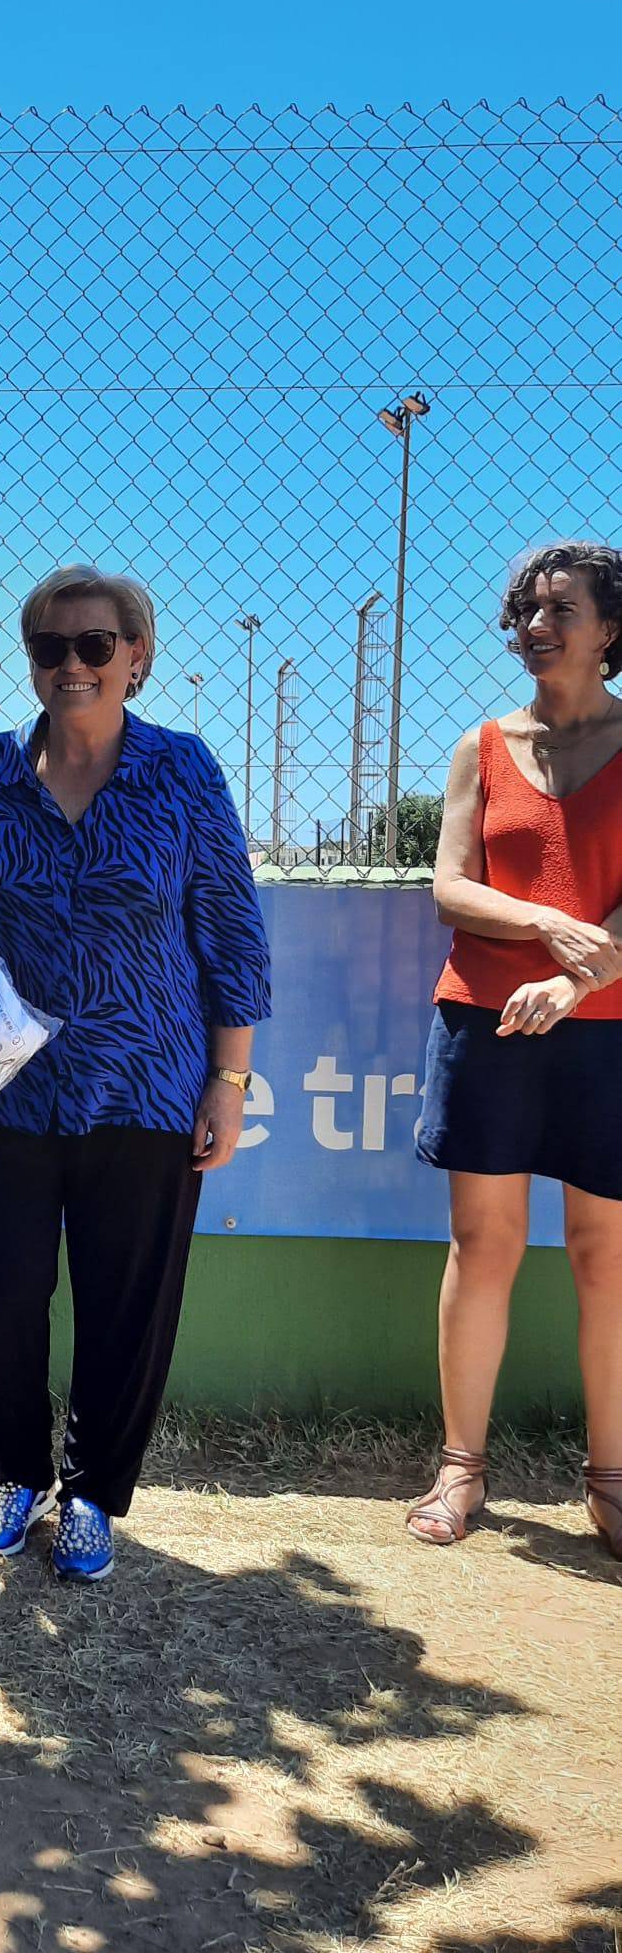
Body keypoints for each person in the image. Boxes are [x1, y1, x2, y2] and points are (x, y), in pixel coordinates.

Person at [0, 565, 270, 1582]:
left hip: (147, 1084)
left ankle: (92, 1494)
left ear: (137, 656)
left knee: (127, 1305)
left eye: (95, 645)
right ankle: (17, 1476)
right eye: (51, 646)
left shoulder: (182, 768)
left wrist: (228, 1081)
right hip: (4, 1091)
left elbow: (231, 928)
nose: (72, 664)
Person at [409, 542, 622, 1559]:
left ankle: (610, 1476)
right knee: (482, 1244)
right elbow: (451, 887)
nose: (536, 625)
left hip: (608, 1030)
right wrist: (546, 925)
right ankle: (461, 1467)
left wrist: (576, 980)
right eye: (527, 610)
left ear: (611, 629)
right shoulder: (482, 745)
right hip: (485, 1019)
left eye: (561, 609)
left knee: (603, 1252)